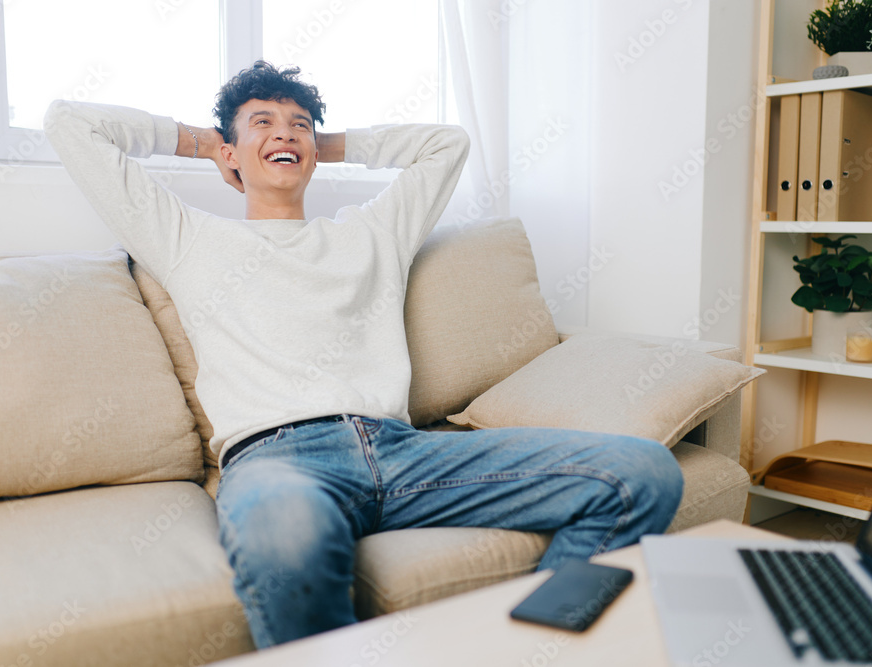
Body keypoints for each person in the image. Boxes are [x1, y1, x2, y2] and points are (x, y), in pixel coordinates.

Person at [44, 61, 683, 649]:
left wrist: (326, 141)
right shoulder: (188, 240)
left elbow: (447, 143)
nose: (283, 133)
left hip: (405, 453)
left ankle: (533, 649)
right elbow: (70, 124)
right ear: (230, 152)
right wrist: (201, 139)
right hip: (279, 458)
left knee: (643, 472)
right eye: (260, 123)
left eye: (298, 124)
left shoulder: (372, 233)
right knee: (288, 540)